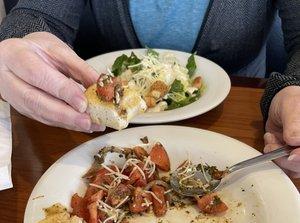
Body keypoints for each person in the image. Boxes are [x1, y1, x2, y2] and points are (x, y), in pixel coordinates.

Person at [0, 0, 299, 177]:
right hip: (90, 141)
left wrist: (293, 87)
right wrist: (19, 45)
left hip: (240, 129)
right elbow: (38, 13)